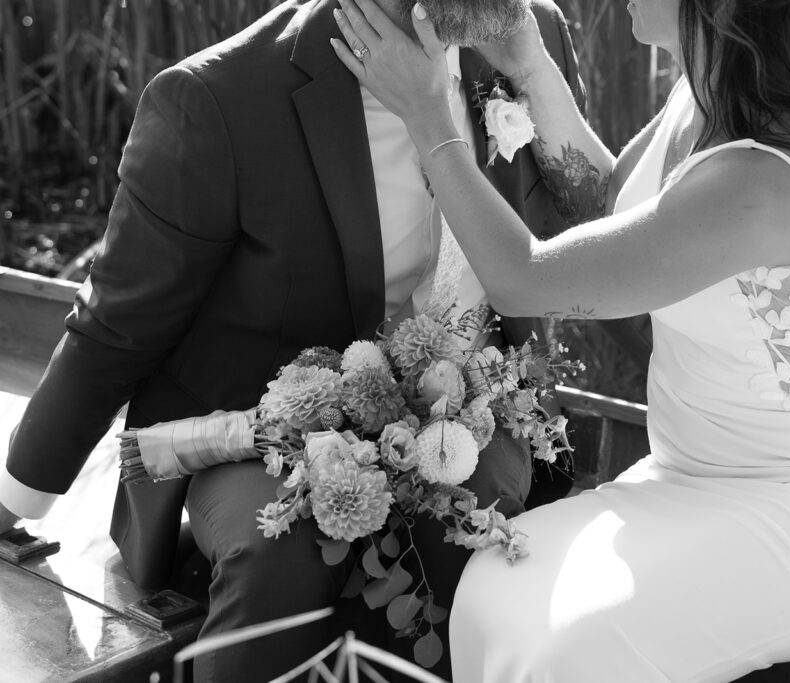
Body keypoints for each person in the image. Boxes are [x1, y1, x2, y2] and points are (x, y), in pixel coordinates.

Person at [333, 0, 790, 680]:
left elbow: (523, 278)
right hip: (689, 475)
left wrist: (429, 119)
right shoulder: (704, 101)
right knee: (497, 586)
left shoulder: (758, 182)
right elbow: (618, 213)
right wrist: (531, 65)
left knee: (559, 648)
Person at [0, 0, 586, 679]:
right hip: (259, 422)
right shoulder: (218, 101)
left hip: (469, 406)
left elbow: (592, 224)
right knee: (279, 552)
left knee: (467, 521)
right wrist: (18, 499)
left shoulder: (515, 36)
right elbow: (118, 325)